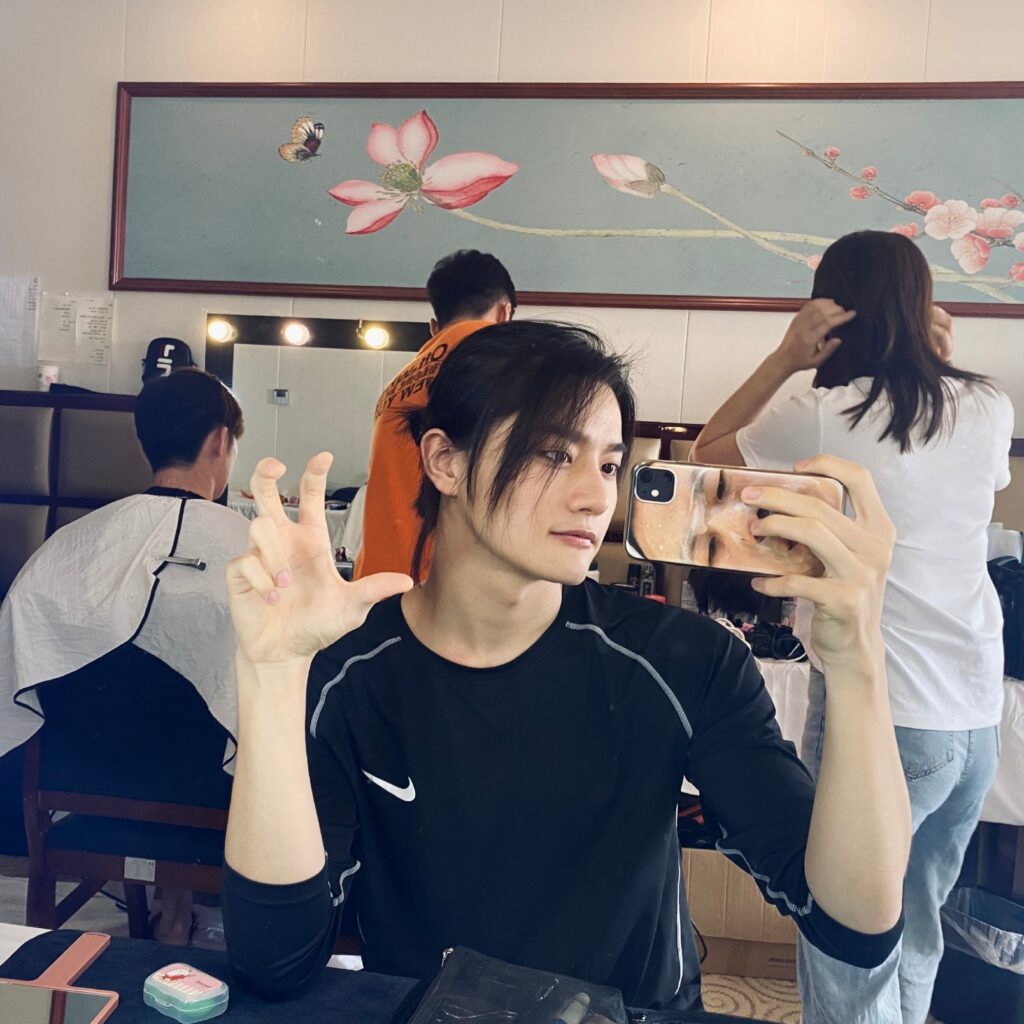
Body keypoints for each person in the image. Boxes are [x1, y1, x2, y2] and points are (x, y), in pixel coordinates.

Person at [221, 320, 910, 1011]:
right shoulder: (348, 673)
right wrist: (273, 674)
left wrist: (858, 661)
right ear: (445, 461)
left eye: (609, 465)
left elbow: (853, 927)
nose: (596, 496)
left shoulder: (682, 660)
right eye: (554, 454)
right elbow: (277, 963)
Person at [692, 230, 1014, 1024]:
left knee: (845, 946)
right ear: (921, 304)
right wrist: (937, 359)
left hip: (881, 715)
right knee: (918, 927)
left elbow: (704, 457)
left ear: (831, 312)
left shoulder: (825, 413)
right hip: (974, 715)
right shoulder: (987, 404)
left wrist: (784, 358)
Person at [0, 367, 251, 944]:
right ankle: (180, 903)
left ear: (144, 443)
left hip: (83, 786)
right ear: (220, 441)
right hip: (209, 799)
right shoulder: (253, 552)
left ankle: (172, 901)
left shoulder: (67, 548)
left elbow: (21, 667)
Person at [354, 249, 515, 581]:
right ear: (504, 313)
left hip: (377, 580)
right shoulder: (497, 365)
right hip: (442, 589)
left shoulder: (396, 385)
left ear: (434, 327)